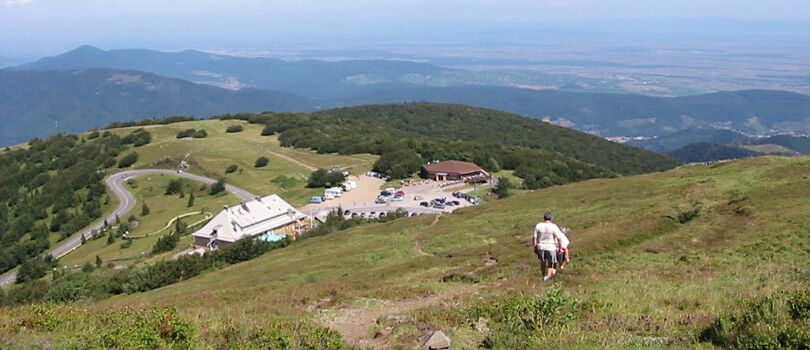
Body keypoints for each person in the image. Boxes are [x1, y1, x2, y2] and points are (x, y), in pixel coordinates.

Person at [532, 211, 569, 281]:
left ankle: (543, 276)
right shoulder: (554, 226)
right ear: (551, 218)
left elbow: (534, 238)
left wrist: (535, 246)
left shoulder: (538, 225)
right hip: (551, 247)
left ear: (544, 218)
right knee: (551, 264)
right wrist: (560, 248)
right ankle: (547, 277)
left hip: (541, 246)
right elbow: (559, 238)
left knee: (542, 262)